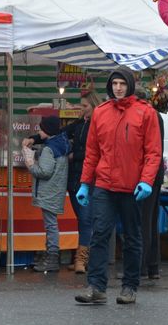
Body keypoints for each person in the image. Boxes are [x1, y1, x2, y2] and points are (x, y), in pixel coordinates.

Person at [74, 67, 161, 305]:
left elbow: (153, 153)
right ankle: (96, 286)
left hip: (132, 186)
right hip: (104, 184)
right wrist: (84, 183)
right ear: (110, 86)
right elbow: (92, 152)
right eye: (114, 84)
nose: (118, 88)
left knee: (132, 236)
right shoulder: (101, 113)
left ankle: (130, 287)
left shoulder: (145, 113)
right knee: (99, 234)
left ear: (130, 85)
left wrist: (146, 180)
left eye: (122, 83)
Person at [23, 90, 102, 274]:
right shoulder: (80, 123)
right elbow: (60, 132)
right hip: (75, 177)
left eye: (84, 106)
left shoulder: (98, 125)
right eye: (81, 105)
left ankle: (83, 259)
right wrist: (34, 138)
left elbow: (98, 151)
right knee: (82, 218)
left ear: (94, 105)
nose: (81, 109)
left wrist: (75, 155)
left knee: (86, 218)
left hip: (89, 176)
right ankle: (81, 257)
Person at [24, 116, 70, 272]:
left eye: (41, 128)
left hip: (48, 191)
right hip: (56, 189)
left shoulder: (49, 149)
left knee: (51, 225)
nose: (39, 131)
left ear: (48, 131)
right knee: (51, 224)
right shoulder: (61, 143)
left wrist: (30, 163)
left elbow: (44, 172)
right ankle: (50, 256)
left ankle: (51, 258)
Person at [135, 87, 164, 280]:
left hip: (147, 173)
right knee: (151, 220)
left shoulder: (147, 115)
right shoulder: (156, 115)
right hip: (156, 172)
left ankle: (141, 266)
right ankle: (152, 265)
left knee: (142, 221)